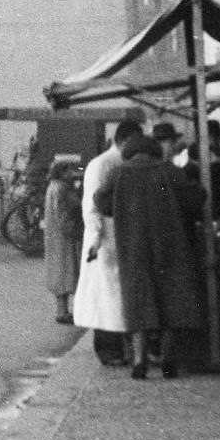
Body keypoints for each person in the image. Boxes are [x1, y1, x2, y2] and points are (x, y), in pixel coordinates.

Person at [98, 130, 206, 379]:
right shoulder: (170, 171)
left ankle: (139, 361)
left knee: (138, 301)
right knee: (170, 299)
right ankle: (169, 360)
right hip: (170, 245)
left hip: (133, 247)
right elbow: (193, 201)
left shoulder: (119, 172)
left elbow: (101, 202)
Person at [74, 116, 142, 364]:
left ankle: (120, 349)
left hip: (118, 237)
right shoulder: (102, 165)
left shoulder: (122, 161)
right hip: (105, 239)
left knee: (115, 298)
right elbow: (91, 207)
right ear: (122, 140)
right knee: (105, 298)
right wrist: (95, 239)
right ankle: (108, 351)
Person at [44, 155, 85, 324]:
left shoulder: (54, 186)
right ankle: (63, 311)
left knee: (61, 272)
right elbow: (63, 214)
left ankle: (63, 310)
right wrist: (76, 232)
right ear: (61, 172)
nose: (72, 173)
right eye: (69, 170)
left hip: (55, 235)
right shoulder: (62, 189)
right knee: (66, 272)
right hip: (65, 237)